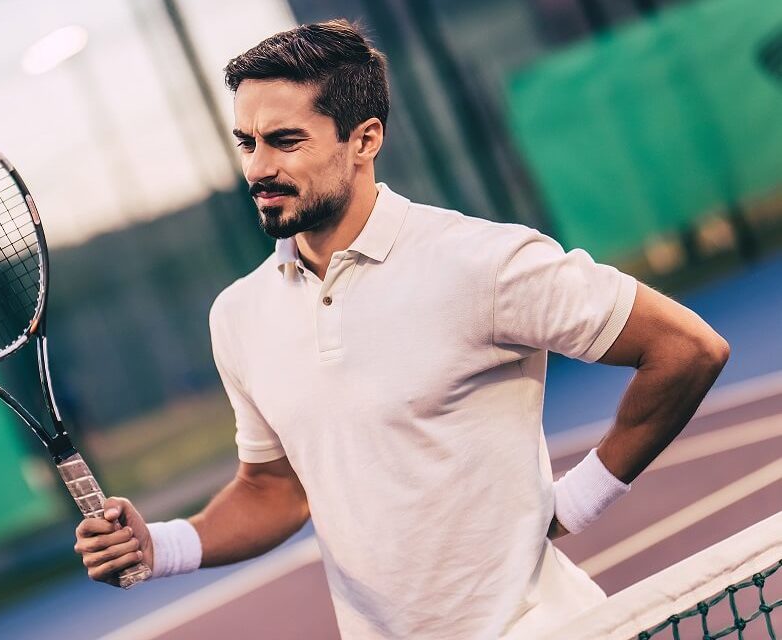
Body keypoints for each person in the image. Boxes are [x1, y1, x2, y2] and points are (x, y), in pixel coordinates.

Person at [73, 19, 729, 638]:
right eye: (247, 142)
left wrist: (578, 501)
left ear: (364, 140)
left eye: (285, 140)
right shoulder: (239, 317)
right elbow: (276, 488)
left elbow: (686, 348)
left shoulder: (481, 263)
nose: (257, 168)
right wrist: (161, 546)